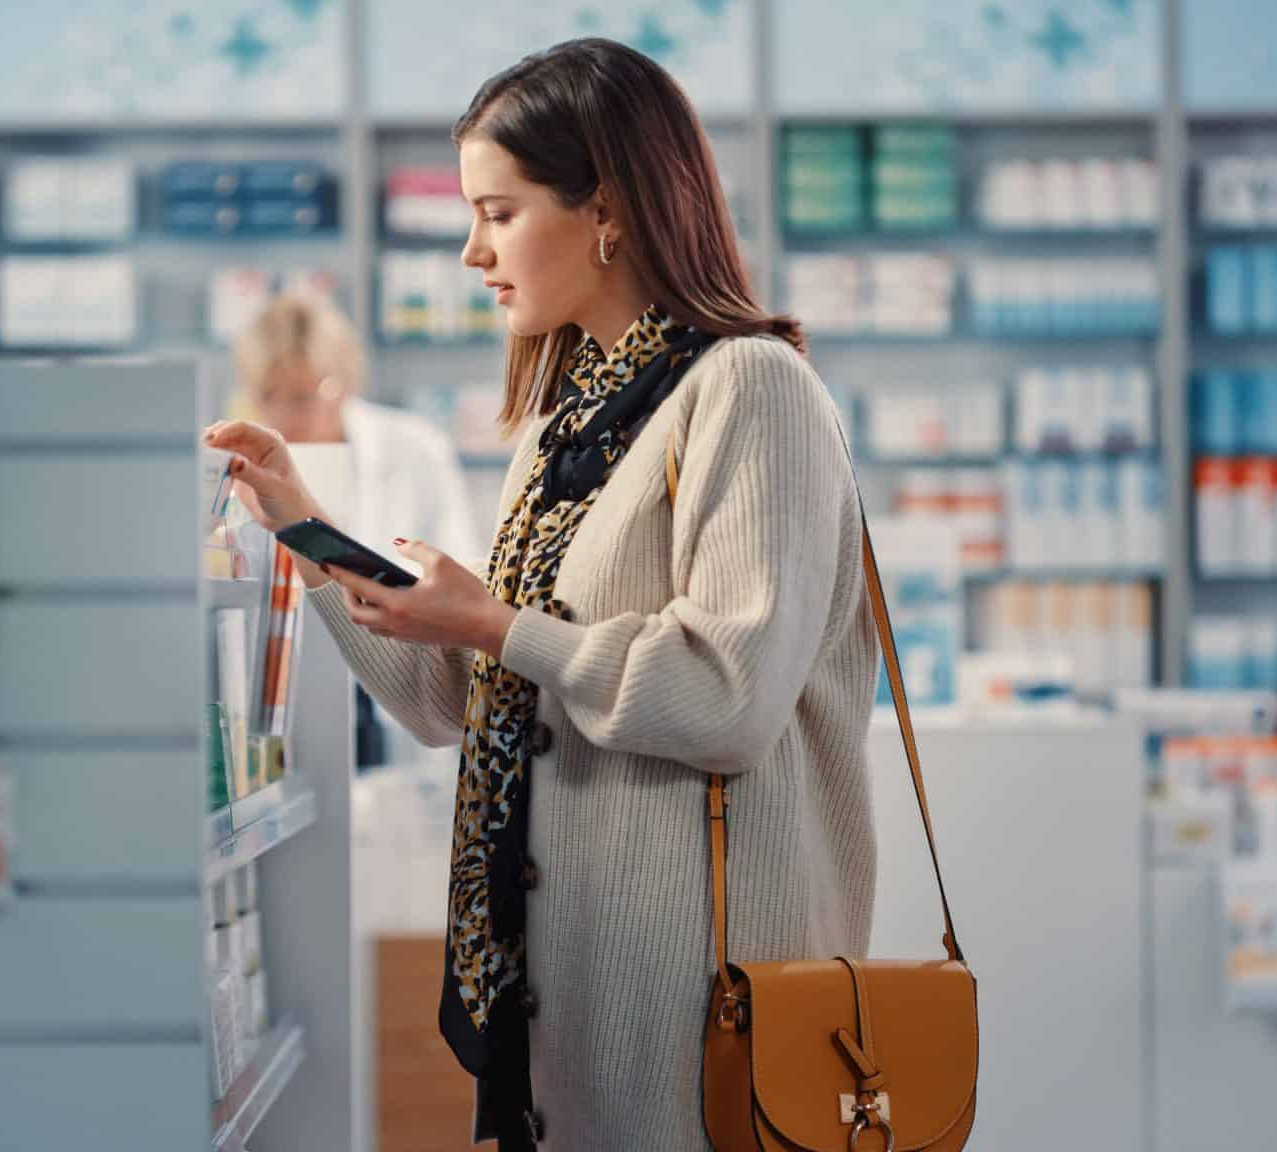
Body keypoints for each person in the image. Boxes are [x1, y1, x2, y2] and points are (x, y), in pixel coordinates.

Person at [207, 38, 878, 1150]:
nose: (472, 251)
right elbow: (449, 698)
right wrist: (301, 526)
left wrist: (494, 622)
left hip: (705, 1001)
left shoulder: (750, 390)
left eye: (499, 212)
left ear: (605, 210)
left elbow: (727, 695)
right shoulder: (562, 428)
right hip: (564, 992)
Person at [230, 294, 481, 767]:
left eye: (305, 395)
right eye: (270, 396)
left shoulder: (414, 449)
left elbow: (459, 575)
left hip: (402, 709)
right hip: (290, 697)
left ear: (343, 381)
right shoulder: (239, 469)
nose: (289, 415)